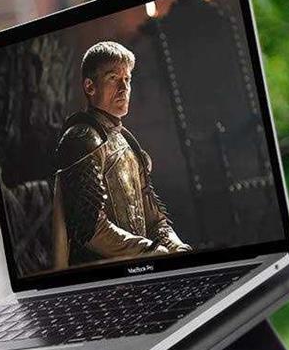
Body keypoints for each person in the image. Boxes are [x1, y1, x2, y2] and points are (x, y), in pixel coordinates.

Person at [50, 40, 191, 269]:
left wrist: (178, 249)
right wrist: (152, 252)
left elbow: (154, 219)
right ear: (89, 86)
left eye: (127, 79)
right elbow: (91, 229)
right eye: (113, 78)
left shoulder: (128, 142)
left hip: (142, 268)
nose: (124, 88)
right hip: (100, 279)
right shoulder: (82, 139)